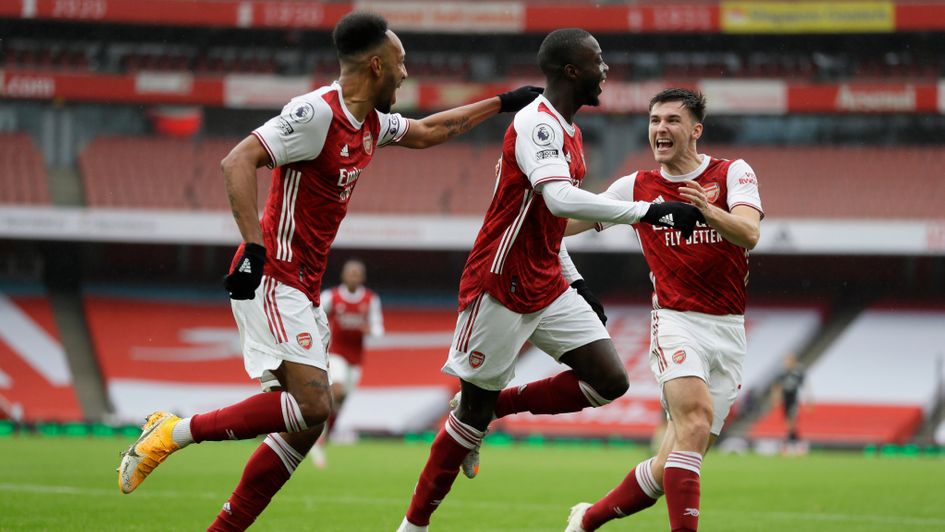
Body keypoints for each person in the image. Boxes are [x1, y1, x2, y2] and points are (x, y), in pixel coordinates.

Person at [116, 11, 544, 531]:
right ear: (376, 65)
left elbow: (430, 131)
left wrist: (502, 103)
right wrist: (253, 248)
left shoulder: (371, 124)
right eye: (402, 62)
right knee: (314, 406)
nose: (407, 74)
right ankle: (174, 431)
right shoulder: (315, 114)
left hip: (303, 287)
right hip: (272, 275)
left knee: (301, 428)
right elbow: (238, 160)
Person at [397, 30, 703, 532]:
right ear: (571, 71)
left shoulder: (569, 130)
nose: (605, 68)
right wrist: (650, 212)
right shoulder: (537, 122)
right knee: (469, 414)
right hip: (499, 282)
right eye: (597, 60)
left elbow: (548, 222)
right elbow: (559, 200)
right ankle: (414, 525)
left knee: (608, 381)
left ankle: (494, 409)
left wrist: (575, 281)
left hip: (546, 280)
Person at [564, 87, 763, 532]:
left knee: (670, 461)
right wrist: (527, 198)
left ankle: (586, 519)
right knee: (693, 422)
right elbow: (566, 223)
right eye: (654, 121)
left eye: (672, 120)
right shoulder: (634, 187)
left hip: (729, 330)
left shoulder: (733, 173)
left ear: (696, 130)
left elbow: (749, 234)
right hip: (675, 320)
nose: (660, 129)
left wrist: (705, 210)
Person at [309, 258, 384, 467]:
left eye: (357, 273)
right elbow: (314, 315)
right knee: (338, 391)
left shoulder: (370, 299)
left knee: (340, 403)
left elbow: (379, 328)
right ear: (343, 275)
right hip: (335, 353)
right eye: (350, 272)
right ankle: (314, 430)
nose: (353, 276)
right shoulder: (332, 296)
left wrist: (372, 331)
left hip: (356, 359)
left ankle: (323, 438)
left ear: (362, 277)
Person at [771, 352, 807, 455]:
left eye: (789, 361)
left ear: (793, 361)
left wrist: (808, 400)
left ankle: (792, 444)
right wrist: (775, 397)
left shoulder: (797, 373)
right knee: (788, 423)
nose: (787, 363)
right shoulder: (783, 373)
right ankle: (795, 444)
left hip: (793, 399)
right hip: (785, 399)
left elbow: (804, 386)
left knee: (791, 423)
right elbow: (776, 386)